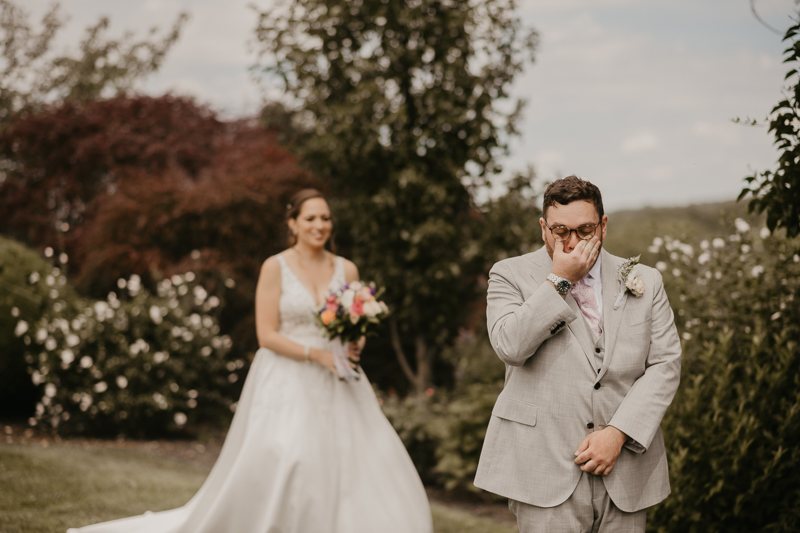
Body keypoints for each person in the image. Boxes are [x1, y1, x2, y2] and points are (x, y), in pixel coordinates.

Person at [68, 188, 433, 533]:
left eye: (325, 218)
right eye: (310, 219)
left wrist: (355, 344)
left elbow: (354, 321)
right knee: (292, 456)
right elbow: (266, 334)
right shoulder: (275, 267)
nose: (320, 225)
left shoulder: (347, 269)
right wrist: (315, 354)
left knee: (363, 458)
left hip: (338, 375)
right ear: (292, 223)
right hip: (287, 376)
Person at [474, 176, 681, 533]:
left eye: (584, 230)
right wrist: (559, 281)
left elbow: (665, 364)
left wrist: (618, 433)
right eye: (560, 231)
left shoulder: (646, 280)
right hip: (544, 469)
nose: (571, 242)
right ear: (543, 228)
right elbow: (509, 346)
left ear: (603, 226)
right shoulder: (509, 274)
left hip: (625, 469)